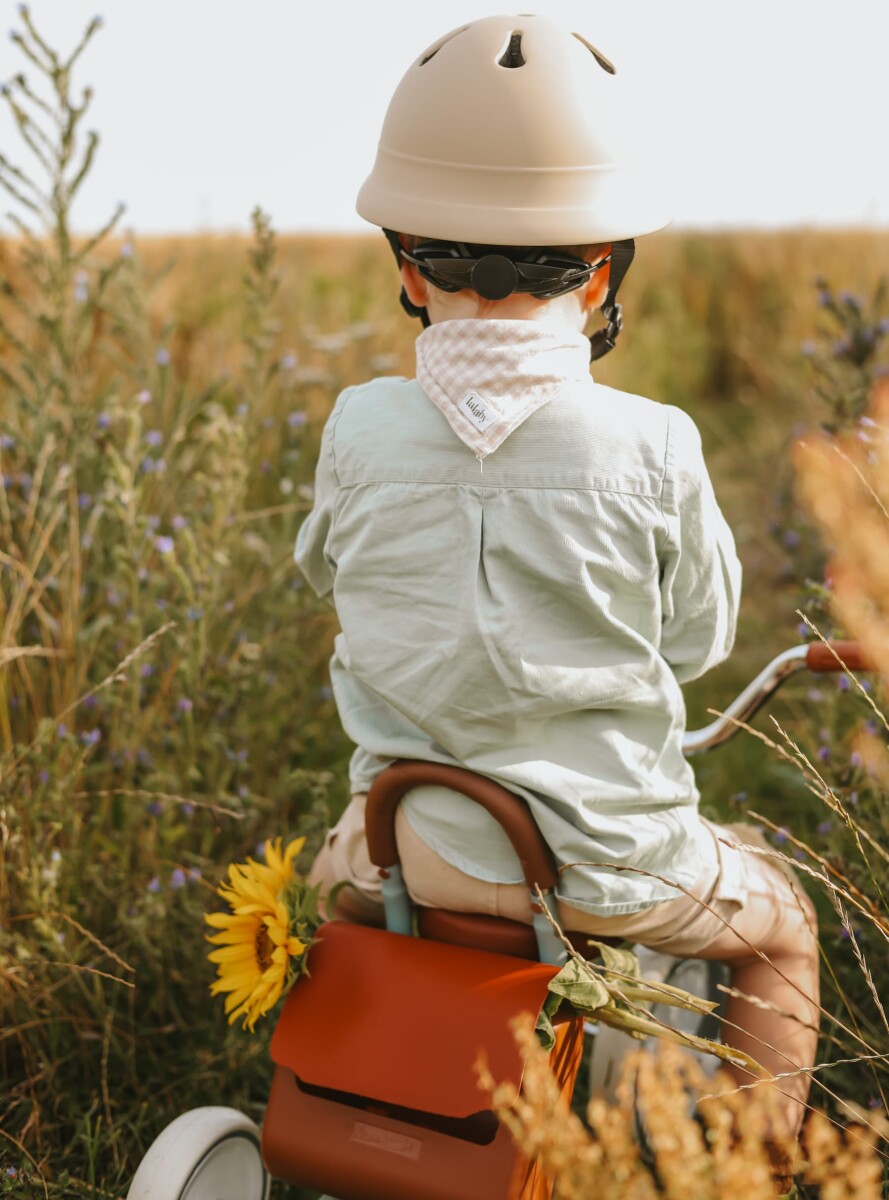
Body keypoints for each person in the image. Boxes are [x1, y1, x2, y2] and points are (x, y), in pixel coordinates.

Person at [296, 12, 818, 1181]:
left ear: (406, 264)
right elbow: (696, 640)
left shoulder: (356, 425)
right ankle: (750, 1175)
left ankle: (362, 1108)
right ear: (600, 270)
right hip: (604, 865)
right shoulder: (655, 442)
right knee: (781, 924)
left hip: (400, 849)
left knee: (316, 891)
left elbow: (321, 571)